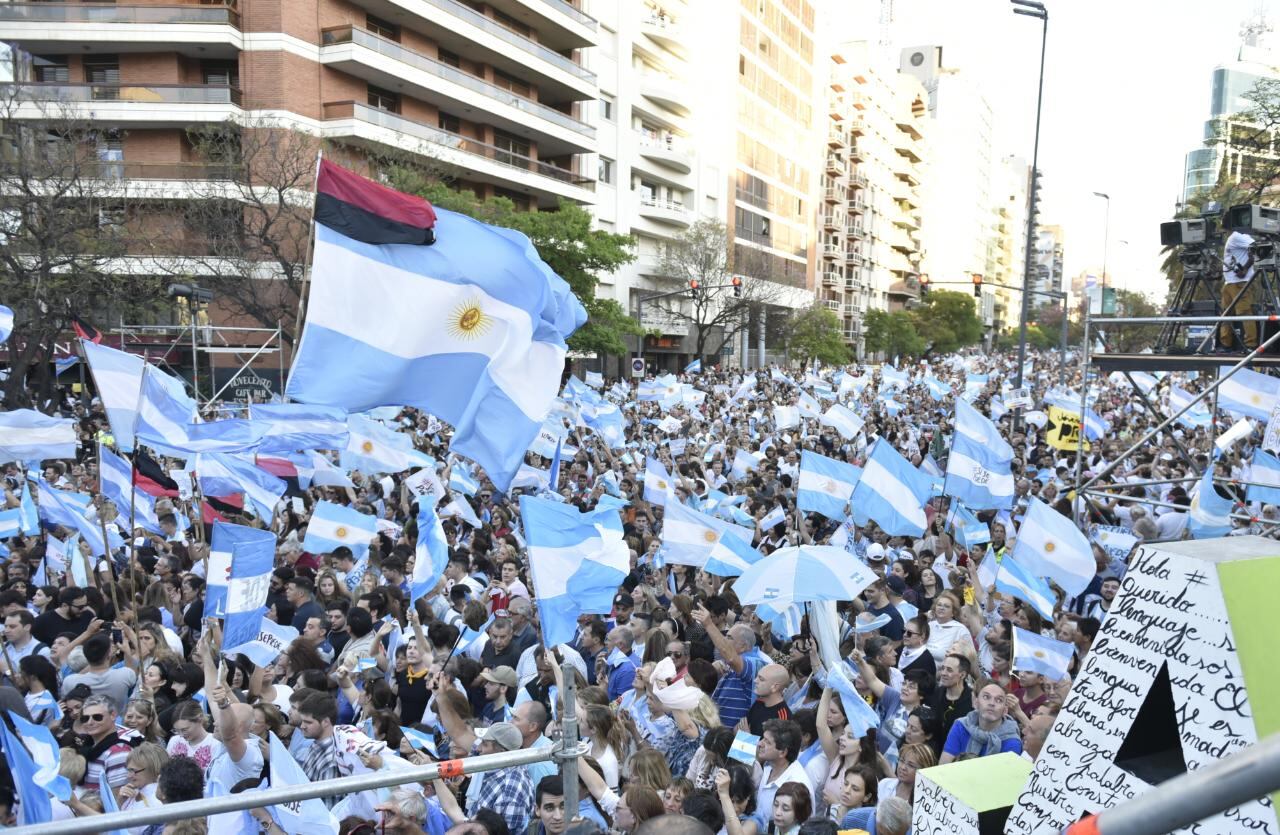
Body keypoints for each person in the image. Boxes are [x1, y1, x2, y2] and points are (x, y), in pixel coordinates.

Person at [939, 683, 1022, 762]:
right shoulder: (961, 725)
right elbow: (942, 767)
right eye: (986, 697)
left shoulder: (1012, 742)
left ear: (1005, 711)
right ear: (975, 703)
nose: (991, 703)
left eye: (999, 700)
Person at [754, 719, 811, 829]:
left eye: (767, 742)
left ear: (783, 752)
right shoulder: (768, 765)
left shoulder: (798, 784)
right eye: (762, 739)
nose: (760, 743)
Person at [1221, 220, 1257, 350]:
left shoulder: (1236, 236)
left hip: (1240, 283)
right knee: (1226, 314)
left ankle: (1250, 344)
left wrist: (1246, 268)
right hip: (1229, 282)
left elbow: (1255, 247)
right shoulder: (1236, 236)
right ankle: (1225, 344)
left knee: (1244, 313)